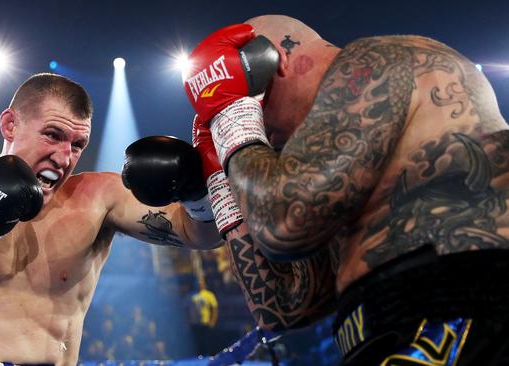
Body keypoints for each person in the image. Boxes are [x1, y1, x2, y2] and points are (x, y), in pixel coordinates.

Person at [182, 14, 509, 365]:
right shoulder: (322, 166)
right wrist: (219, 177)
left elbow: (282, 226)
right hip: (379, 328)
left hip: (463, 305)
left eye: (253, 102)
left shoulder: (372, 63)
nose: (259, 128)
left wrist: (232, 115)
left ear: (273, 63)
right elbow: (286, 307)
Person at [0, 73, 222, 366]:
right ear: (10, 124)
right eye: (53, 135)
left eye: (78, 144)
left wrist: (197, 189)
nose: (64, 156)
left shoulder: (99, 197)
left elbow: (201, 235)